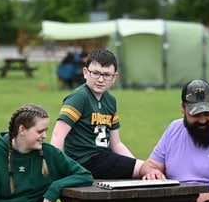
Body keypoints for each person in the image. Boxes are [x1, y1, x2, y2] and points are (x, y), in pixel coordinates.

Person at [50, 48, 144, 179]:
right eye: (95, 73)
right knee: (148, 168)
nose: (100, 79)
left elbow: (116, 143)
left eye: (106, 75)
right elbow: (57, 135)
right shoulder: (79, 97)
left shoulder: (111, 101)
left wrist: (135, 163)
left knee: (147, 169)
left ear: (114, 77)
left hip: (103, 159)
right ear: (85, 72)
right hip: (84, 161)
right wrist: (57, 167)